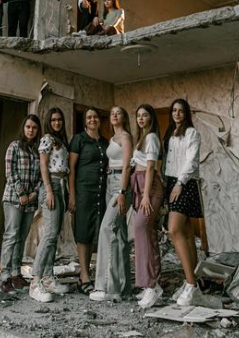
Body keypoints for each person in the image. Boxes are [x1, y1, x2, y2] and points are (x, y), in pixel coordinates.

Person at [90, 106, 135, 302]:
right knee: (120, 234)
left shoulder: (126, 137)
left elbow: (126, 166)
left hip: (121, 186)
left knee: (106, 229)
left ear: (124, 118)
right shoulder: (111, 139)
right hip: (110, 183)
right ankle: (123, 287)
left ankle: (106, 286)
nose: (114, 115)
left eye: (118, 112)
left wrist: (123, 192)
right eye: (112, 113)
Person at [164, 98, 203, 306]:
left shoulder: (192, 133)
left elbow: (191, 160)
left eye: (180, 111)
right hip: (172, 181)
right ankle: (193, 280)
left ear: (186, 113)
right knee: (187, 233)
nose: (176, 114)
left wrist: (179, 183)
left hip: (185, 182)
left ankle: (191, 284)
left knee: (174, 229)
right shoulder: (171, 134)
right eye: (174, 110)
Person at [0, 114, 43, 294]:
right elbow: (10, 172)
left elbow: (41, 176)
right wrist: (21, 193)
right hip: (13, 199)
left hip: (30, 202)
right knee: (11, 235)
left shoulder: (37, 150)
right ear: (23, 128)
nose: (31, 130)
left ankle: (16, 274)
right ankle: (5, 277)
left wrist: (33, 193)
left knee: (21, 238)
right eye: (28, 127)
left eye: (34, 127)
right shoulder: (14, 146)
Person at [31, 107, 70, 303]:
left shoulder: (61, 140)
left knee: (53, 235)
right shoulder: (46, 138)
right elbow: (43, 165)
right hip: (52, 185)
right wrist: (48, 190)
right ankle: (35, 281)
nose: (57, 123)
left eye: (59, 120)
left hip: (61, 186)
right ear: (49, 121)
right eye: (53, 120)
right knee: (48, 235)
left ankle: (47, 277)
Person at [68, 108, 108, 296]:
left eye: (95, 117)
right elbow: (72, 169)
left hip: (100, 193)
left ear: (99, 120)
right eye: (89, 117)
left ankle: (90, 273)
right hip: (83, 192)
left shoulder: (105, 142)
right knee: (83, 232)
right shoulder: (79, 139)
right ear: (85, 121)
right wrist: (72, 196)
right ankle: (84, 276)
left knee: (95, 232)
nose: (92, 119)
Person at [132, 105, 167, 308]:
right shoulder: (142, 138)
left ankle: (151, 285)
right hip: (141, 185)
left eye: (145, 115)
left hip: (150, 187)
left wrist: (145, 195)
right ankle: (152, 284)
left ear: (151, 118)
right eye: (138, 115)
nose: (141, 118)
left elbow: (152, 168)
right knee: (148, 233)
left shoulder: (152, 138)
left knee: (140, 228)